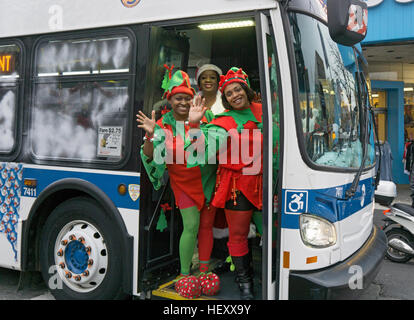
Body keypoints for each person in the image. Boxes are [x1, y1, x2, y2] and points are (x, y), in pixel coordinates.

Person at [187, 67, 263, 300]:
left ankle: (272, 274)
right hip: (236, 187)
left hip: (266, 185)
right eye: (228, 93)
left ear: (246, 89)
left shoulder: (266, 112)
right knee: (238, 235)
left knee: (271, 233)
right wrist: (194, 125)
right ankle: (245, 282)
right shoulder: (223, 121)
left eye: (237, 89)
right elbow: (198, 154)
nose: (234, 95)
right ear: (225, 98)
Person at [137, 70, 216, 278]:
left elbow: (206, 150)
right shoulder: (162, 123)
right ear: (169, 99)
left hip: (207, 179)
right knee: (190, 225)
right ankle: (184, 275)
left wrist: (195, 123)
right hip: (182, 182)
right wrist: (150, 135)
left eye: (188, 98)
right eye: (178, 98)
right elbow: (150, 155)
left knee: (206, 226)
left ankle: (204, 271)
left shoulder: (206, 115)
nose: (183, 102)